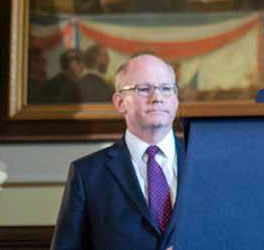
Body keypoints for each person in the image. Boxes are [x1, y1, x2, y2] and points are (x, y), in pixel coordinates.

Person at [51, 54, 184, 250]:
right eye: (144, 89)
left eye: (166, 89)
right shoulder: (87, 174)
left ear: (176, 99)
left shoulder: (206, 164)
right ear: (120, 102)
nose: (157, 98)